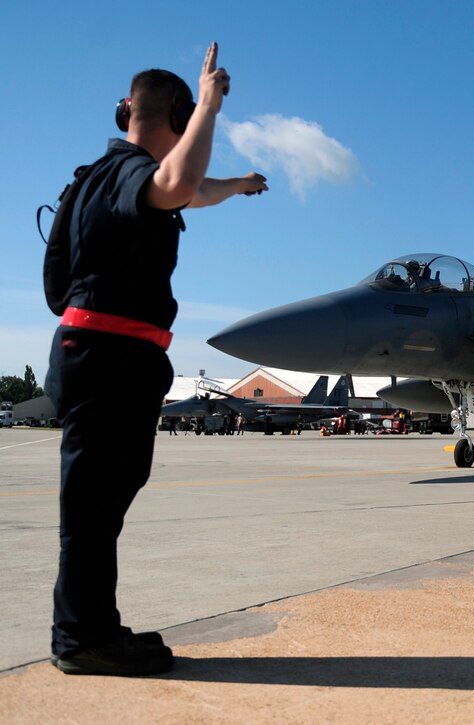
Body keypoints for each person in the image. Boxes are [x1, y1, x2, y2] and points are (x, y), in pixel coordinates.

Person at [44, 43, 267, 676]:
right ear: (175, 112)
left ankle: (95, 628)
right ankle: (82, 639)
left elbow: (190, 193)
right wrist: (213, 107)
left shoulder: (107, 177)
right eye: (189, 115)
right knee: (92, 509)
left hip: (107, 356)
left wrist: (242, 184)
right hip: (109, 357)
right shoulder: (130, 173)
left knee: (101, 503)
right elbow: (179, 184)